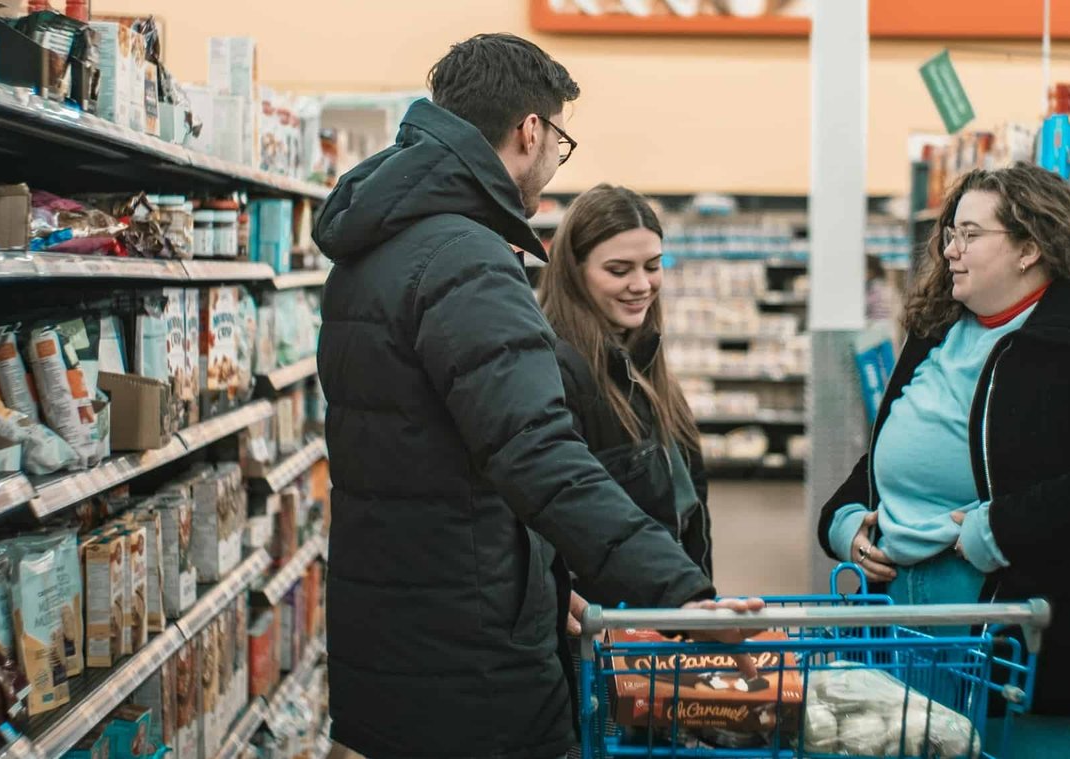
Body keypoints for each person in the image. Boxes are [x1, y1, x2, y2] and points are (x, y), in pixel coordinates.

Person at [312, 34, 761, 759]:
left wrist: (552, 585)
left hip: (391, 629)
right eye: (560, 139)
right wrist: (684, 597)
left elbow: (434, 456)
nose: (556, 160)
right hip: (475, 657)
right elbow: (539, 454)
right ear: (531, 130)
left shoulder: (375, 246)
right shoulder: (468, 258)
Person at [815, 163, 1070, 758]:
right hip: (910, 630)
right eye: (949, 235)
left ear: (1029, 248)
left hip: (1030, 637)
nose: (951, 251)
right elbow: (896, 445)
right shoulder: (939, 328)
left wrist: (1003, 528)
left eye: (971, 235)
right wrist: (844, 517)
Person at [538, 184, 713, 626]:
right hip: (606, 629)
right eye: (619, 270)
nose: (641, 285)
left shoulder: (643, 357)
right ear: (574, 272)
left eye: (653, 266)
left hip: (662, 614)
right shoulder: (557, 369)